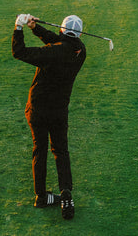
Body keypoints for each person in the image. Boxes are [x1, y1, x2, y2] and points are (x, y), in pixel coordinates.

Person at [11, 13, 87, 220]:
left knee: (40, 150)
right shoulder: (81, 51)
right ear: (78, 34)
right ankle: (66, 194)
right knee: (61, 151)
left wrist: (19, 28)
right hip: (59, 110)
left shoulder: (52, 52)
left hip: (38, 109)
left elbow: (19, 52)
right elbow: (60, 42)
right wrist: (35, 28)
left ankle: (41, 197)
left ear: (62, 30)